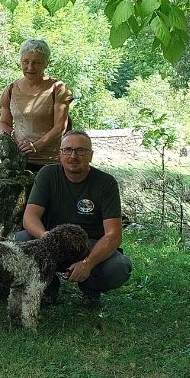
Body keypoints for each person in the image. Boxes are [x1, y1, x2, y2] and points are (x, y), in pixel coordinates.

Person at [19, 130, 132, 307]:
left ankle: (91, 290)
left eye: (81, 150)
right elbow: (30, 217)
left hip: (89, 245)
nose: (73, 156)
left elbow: (113, 235)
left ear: (91, 155)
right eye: (68, 150)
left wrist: (88, 263)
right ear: (60, 154)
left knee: (118, 267)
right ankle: (47, 286)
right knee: (21, 240)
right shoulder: (47, 175)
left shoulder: (106, 183)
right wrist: (46, 236)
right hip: (52, 241)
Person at [0, 38, 73, 170]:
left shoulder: (57, 89)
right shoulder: (10, 90)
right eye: (25, 62)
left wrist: (35, 146)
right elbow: (4, 122)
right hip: (18, 162)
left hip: (50, 163)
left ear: (46, 63)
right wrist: (6, 140)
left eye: (36, 62)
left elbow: (60, 127)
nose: (30, 67)